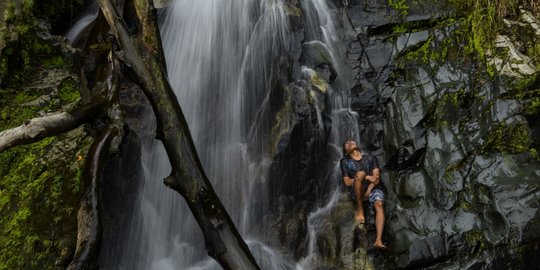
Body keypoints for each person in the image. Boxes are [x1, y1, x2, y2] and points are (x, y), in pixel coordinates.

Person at [340, 140, 386, 249]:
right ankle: (360, 210)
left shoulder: (371, 158)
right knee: (360, 174)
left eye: (351, 141)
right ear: (346, 152)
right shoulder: (345, 162)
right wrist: (365, 177)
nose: (350, 142)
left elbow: (377, 179)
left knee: (379, 204)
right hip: (356, 192)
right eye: (347, 143)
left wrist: (369, 190)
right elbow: (347, 181)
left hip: (372, 189)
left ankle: (378, 240)